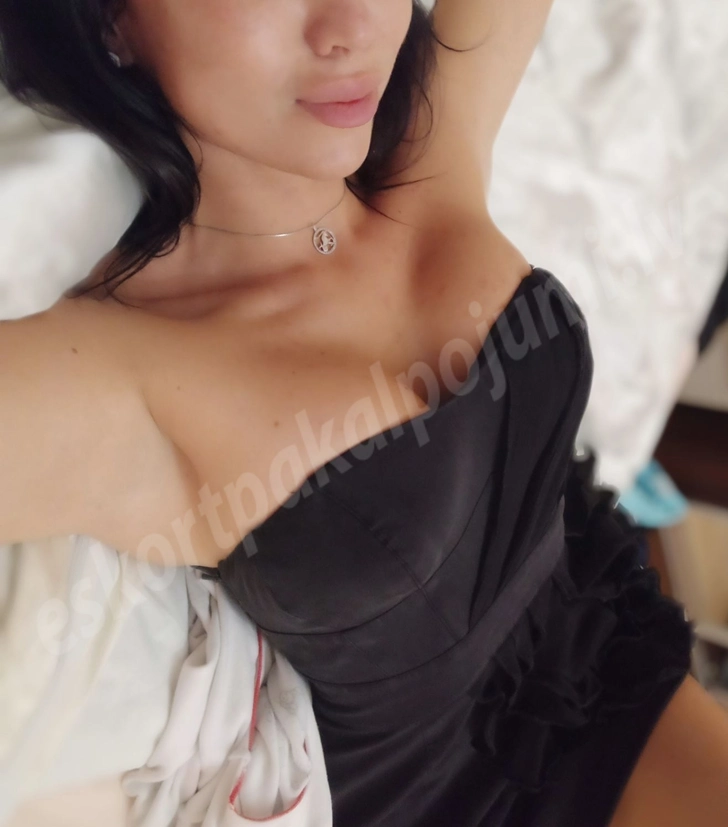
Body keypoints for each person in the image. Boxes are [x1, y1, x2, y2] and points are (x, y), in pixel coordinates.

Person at [1, 1, 727, 824]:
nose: (353, 25)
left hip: (612, 639)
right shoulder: (137, 372)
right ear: (109, 20)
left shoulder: (425, 159)